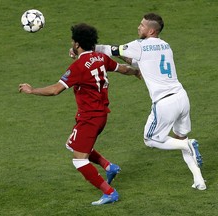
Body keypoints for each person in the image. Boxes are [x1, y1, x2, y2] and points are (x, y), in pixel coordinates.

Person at [19, 23, 141, 205]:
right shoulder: (101, 57)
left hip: (90, 118)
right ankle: (109, 167)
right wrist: (137, 71)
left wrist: (32, 90)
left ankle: (110, 193)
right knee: (72, 144)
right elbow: (122, 69)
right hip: (100, 115)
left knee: (79, 160)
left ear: (77, 44)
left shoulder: (78, 67)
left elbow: (55, 90)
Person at [94, 13, 207, 190]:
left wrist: (87, 48)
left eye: (142, 25)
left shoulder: (140, 45)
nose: (139, 27)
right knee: (180, 137)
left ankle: (188, 144)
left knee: (150, 139)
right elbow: (138, 62)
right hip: (181, 98)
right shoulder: (166, 46)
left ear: (151, 30)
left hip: (164, 103)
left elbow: (110, 49)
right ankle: (199, 180)